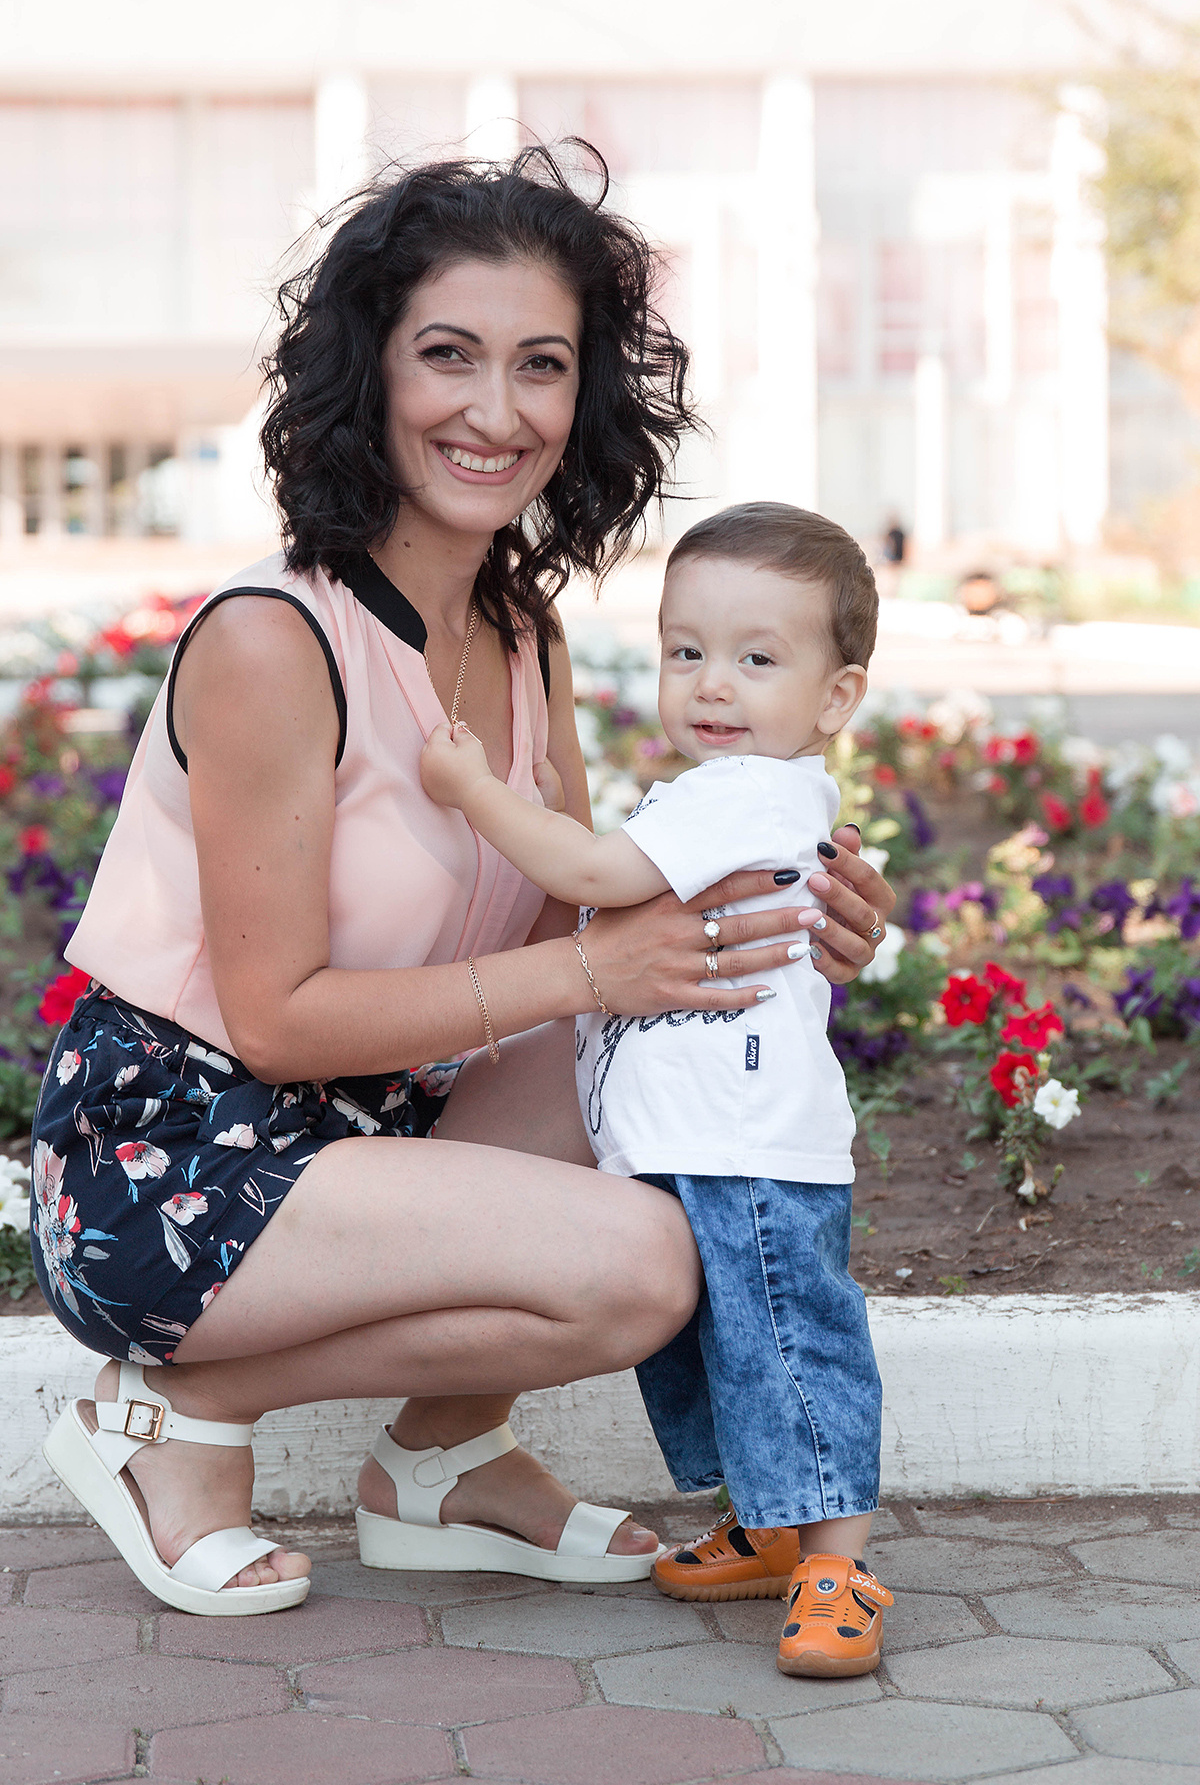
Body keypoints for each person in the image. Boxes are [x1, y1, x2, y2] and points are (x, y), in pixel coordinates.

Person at [31, 145, 895, 1617]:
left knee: (677, 1042)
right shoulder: (271, 641)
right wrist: (591, 972)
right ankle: (171, 1421)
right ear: (369, 370)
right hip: (176, 1161)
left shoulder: (520, 628)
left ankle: (443, 1460)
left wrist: (788, 919)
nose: (498, 412)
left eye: (541, 366)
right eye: (450, 356)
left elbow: (590, 924)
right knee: (640, 1266)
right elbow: (282, 1022)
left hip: (382, 1121)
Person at [421, 500, 894, 1679]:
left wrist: (473, 790)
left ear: (836, 699)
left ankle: (841, 1562)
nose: (711, 685)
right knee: (725, 1349)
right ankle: (773, 1528)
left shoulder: (743, 792)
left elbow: (587, 870)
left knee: (786, 1347)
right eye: (688, 651)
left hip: (752, 1145)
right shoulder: (725, 792)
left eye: (756, 657)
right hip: (700, 1139)